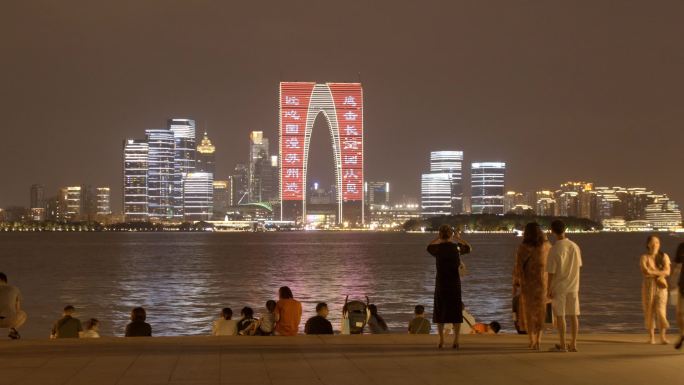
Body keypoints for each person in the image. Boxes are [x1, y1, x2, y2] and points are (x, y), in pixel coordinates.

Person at [427, 224, 472, 350]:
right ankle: (456, 340)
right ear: (451, 235)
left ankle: (441, 340)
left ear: (440, 235)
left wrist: (437, 238)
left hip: (441, 283)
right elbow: (469, 248)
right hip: (454, 283)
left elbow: (428, 247)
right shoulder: (456, 248)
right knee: (455, 310)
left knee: (440, 310)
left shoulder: (437, 249)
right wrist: (458, 238)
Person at [513, 222, 551, 350]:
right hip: (543, 283)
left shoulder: (523, 247)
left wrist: (515, 283)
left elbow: (518, 267)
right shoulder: (547, 246)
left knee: (529, 312)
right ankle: (539, 340)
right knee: (541, 311)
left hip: (528, 284)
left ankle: (531, 340)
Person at [546, 220, 582, 352]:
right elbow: (579, 266)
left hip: (559, 286)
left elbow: (551, 272)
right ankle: (573, 344)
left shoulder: (554, 249)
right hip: (573, 285)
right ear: (565, 229)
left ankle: (562, 344)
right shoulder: (575, 246)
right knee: (573, 315)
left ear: (552, 231)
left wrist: (548, 289)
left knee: (560, 316)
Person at [640, 234, 671, 345]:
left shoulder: (664, 256)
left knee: (661, 311)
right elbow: (645, 271)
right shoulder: (644, 257)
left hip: (661, 286)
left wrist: (652, 272)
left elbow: (667, 272)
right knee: (649, 310)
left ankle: (663, 337)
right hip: (648, 286)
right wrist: (659, 272)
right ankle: (651, 337)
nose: (655, 245)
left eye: (657, 242)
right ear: (648, 244)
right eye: (652, 243)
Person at [0, 272, 27, 340]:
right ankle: (12, 330)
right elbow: (17, 308)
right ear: (5, 280)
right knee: (23, 314)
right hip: (9, 320)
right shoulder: (14, 289)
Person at [674, 243, 684, 350]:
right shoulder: (681, 246)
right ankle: (682, 334)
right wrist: (672, 282)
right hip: (682, 285)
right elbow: (677, 265)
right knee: (679, 313)